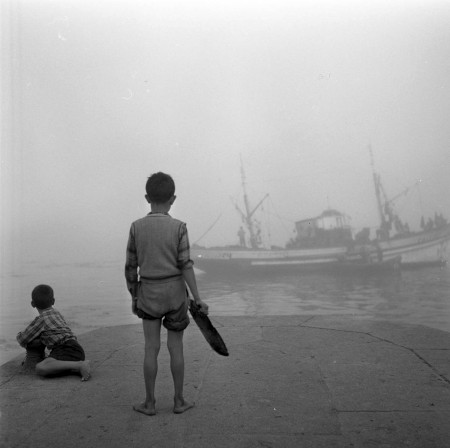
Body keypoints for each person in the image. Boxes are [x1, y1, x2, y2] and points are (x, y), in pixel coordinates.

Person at [125, 172, 208, 416]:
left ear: (147, 198)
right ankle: (179, 401)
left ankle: (149, 403)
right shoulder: (179, 227)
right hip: (175, 294)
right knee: (176, 347)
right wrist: (197, 298)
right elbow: (186, 265)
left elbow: (130, 267)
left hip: (148, 292)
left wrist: (134, 296)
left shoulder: (136, 227)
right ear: (173, 199)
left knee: (151, 348)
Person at [16, 284, 91, 381]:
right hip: (77, 349)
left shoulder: (41, 319)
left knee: (40, 367)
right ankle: (74, 366)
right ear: (53, 301)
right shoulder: (56, 313)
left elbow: (22, 339)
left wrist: (20, 334)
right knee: (49, 362)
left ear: (32, 304)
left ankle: (79, 365)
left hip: (65, 350)